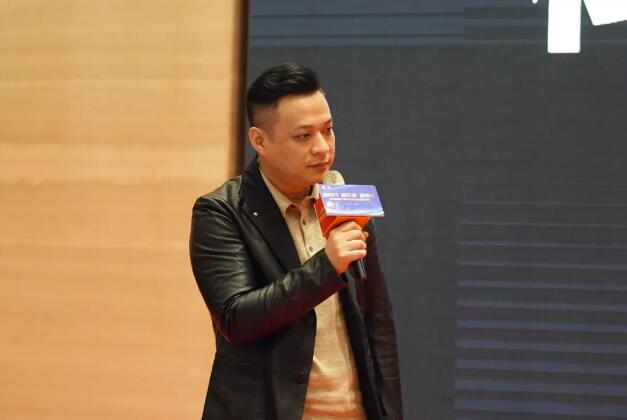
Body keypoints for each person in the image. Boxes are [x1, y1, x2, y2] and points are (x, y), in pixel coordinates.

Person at [189, 63, 402, 420]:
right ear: (259, 140)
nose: (322, 148)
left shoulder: (343, 202)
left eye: (328, 130)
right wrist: (326, 267)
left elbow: (378, 326)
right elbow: (237, 318)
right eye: (303, 136)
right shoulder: (221, 212)